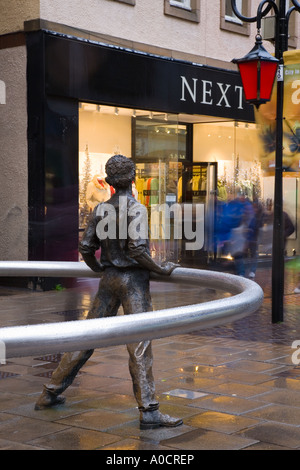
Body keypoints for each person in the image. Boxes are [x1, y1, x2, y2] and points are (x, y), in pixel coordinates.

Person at [35, 154, 183, 430]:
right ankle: (149, 411)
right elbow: (137, 249)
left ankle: (50, 391)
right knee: (139, 343)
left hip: (110, 280)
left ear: (111, 182)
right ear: (133, 178)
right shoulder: (136, 209)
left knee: (88, 336)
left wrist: (101, 269)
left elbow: (86, 248)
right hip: (133, 282)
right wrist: (161, 269)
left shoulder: (101, 210)